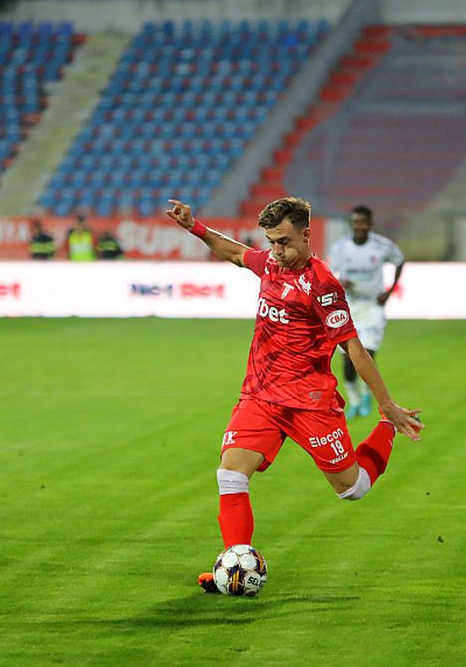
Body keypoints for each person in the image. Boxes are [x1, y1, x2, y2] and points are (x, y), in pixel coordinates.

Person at [165, 197, 424, 593]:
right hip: (261, 397)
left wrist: (387, 404)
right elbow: (235, 252)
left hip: (310, 402)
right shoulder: (270, 264)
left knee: (353, 489)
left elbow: (353, 348)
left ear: (306, 234)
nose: (277, 251)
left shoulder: (323, 286)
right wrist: (193, 226)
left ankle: (386, 426)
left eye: (284, 241)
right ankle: (236, 569)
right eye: (271, 242)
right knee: (230, 475)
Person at [326, 205, 405, 418]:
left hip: (372, 307)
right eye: (355, 222)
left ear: (370, 224)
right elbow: (330, 274)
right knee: (347, 361)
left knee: (367, 354)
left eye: (363, 222)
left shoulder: (381, 246)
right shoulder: (340, 248)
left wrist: (389, 291)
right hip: (349, 307)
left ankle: (368, 393)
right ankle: (354, 400)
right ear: (351, 224)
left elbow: (399, 261)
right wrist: (340, 282)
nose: (359, 226)